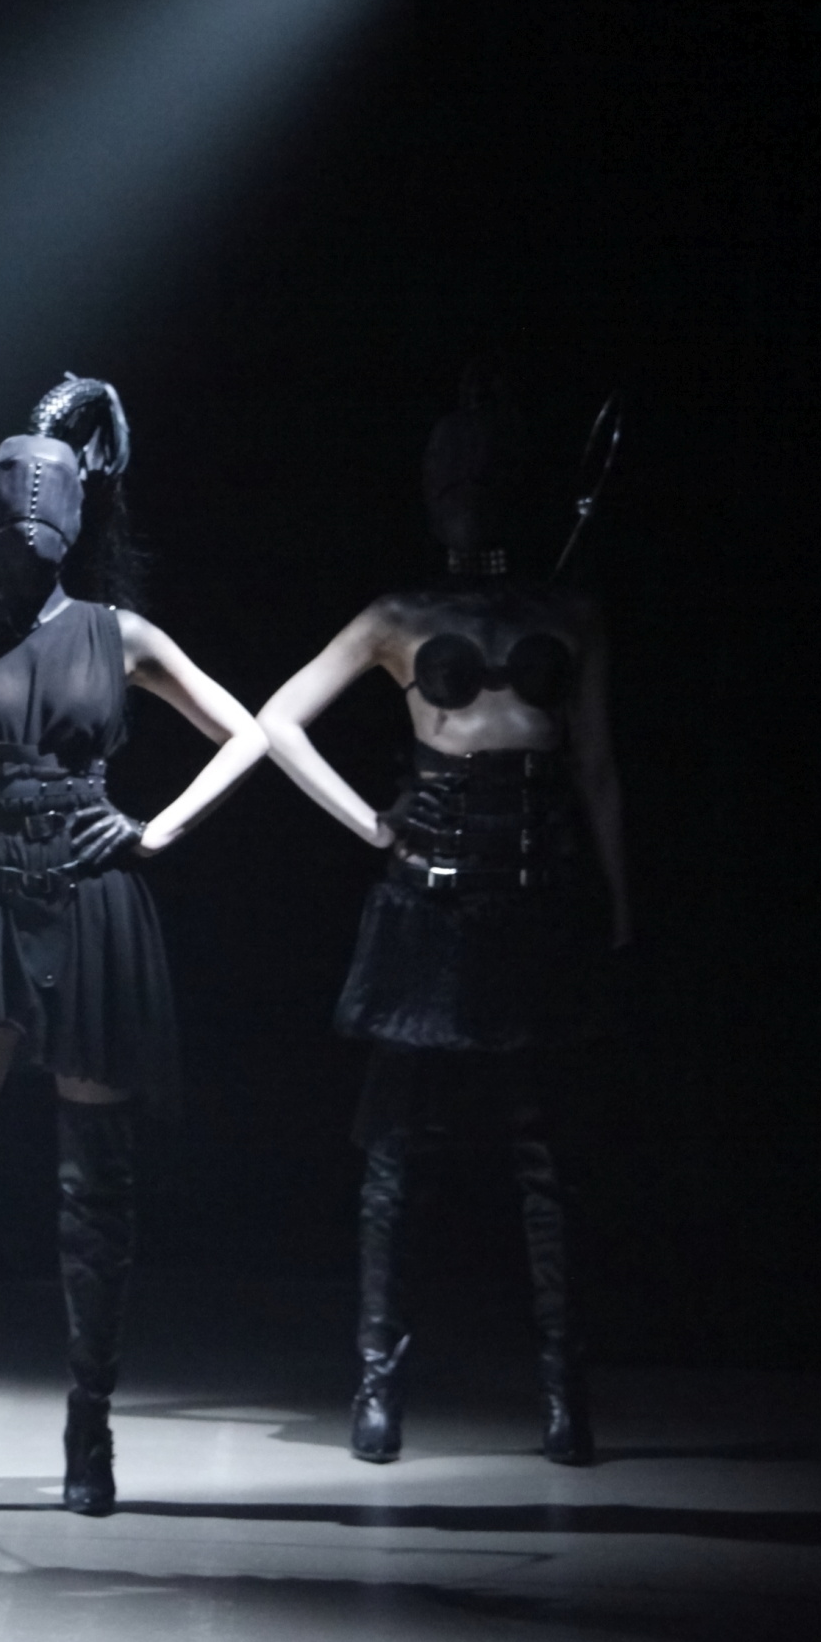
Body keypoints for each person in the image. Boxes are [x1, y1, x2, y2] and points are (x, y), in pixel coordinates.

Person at [0, 373, 264, 1519]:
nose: (21, 541)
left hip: (88, 899)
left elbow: (247, 731)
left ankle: (91, 1425)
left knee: (96, 1191)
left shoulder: (116, 634)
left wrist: (156, 827)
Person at [254, 372, 629, 1466]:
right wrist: (371, 821)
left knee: (545, 1157)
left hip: (540, 902)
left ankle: (565, 1391)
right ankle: (377, 1381)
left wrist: (623, 903)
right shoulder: (399, 617)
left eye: (483, 475)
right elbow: (279, 719)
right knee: (396, 1154)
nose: (466, 494)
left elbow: (598, 769)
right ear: (429, 490)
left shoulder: (570, 612)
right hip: (428, 908)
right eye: (449, 476)